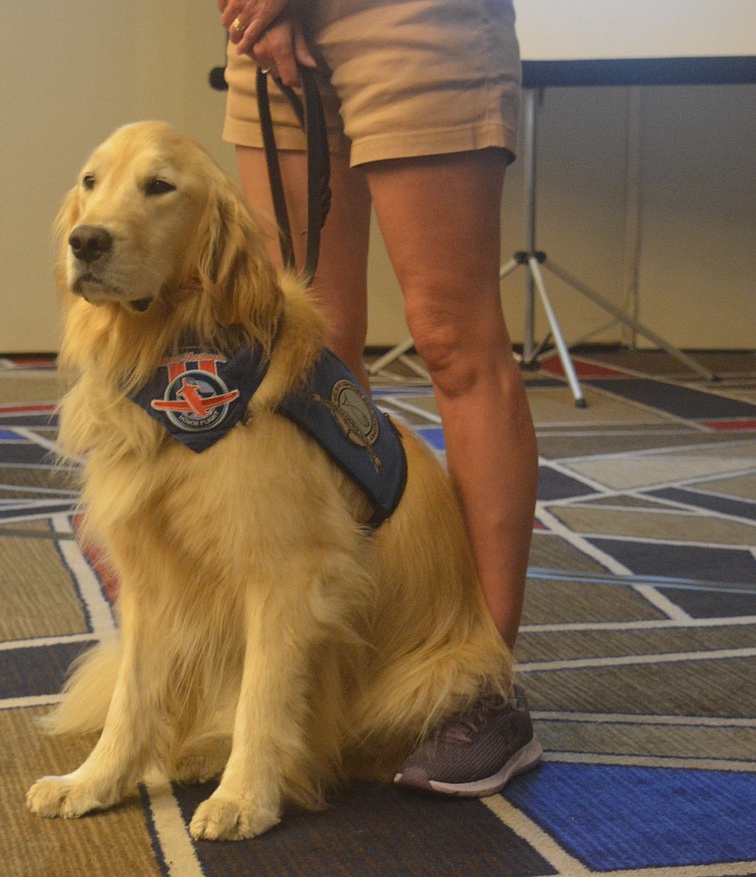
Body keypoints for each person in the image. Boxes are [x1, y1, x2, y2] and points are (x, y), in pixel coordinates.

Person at [216, 0, 542, 796]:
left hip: (412, 15)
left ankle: (482, 684)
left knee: (451, 337)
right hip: (268, 23)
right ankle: (351, 649)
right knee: (306, 349)